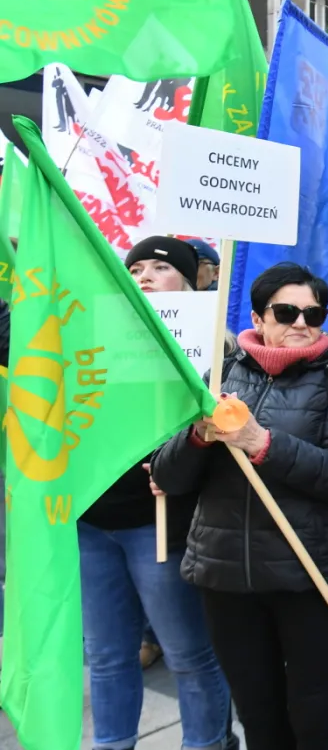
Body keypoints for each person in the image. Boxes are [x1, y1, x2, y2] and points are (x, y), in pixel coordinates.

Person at [152, 262, 328, 750]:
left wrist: (260, 441)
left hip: (309, 576)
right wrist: (197, 439)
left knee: (315, 717)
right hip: (227, 576)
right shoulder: (222, 372)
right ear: (258, 317)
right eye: (287, 311)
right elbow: (168, 476)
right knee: (259, 716)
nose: (301, 323)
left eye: (313, 314)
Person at [80, 237, 234, 750]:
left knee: (189, 654)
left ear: (192, 286)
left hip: (161, 523)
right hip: (92, 522)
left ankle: (206, 743)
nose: (143, 274)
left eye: (160, 268)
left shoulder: (213, 352)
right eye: (135, 267)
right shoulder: (87, 337)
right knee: (106, 655)